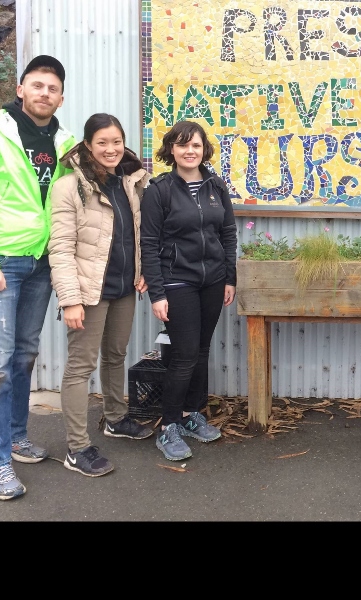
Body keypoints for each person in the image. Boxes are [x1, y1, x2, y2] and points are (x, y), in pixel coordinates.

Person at [0, 55, 76, 500]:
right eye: (37, 85)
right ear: (21, 88)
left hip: (42, 261)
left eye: (53, 88)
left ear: (62, 97)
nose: (45, 93)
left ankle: (15, 436)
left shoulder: (65, 142)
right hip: (0, 263)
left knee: (24, 355)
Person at [48, 113, 154, 477]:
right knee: (80, 367)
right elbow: (60, 249)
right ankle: (77, 448)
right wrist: (70, 299)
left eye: (116, 141)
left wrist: (141, 272)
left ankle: (115, 419)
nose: (111, 149)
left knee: (116, 354)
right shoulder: (69, 188)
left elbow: (136, 234)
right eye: (102, 142)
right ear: (88, 145)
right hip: (88, 293)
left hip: (124, 288)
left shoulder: (130, 182)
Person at [140, 120, 237, 461]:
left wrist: (230, 277)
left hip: (212, 280)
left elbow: (228, 233)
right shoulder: (159, 190)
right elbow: (149, 244)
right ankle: (169, 426)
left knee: (201, 350)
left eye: (195, 145)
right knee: (183, 354)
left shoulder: (216, 187)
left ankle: (192, 414)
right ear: (172, 150)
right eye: (182, 145)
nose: (189, 151)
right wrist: (157, 293)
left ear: (204, 149)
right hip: (176, 280)